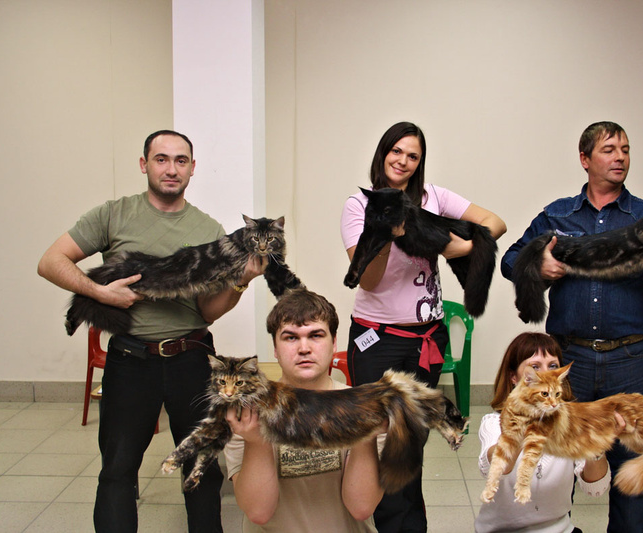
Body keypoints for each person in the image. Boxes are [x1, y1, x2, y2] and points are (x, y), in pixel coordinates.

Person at [37, 130, 264, 533]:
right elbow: (51, 261)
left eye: (181, 160)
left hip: (192, 359)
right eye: (161, 159)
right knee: (118, 469)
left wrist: (241, 280)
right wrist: (101, 293)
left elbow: (207, 312)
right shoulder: (114, 214)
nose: (171, 169)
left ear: (192, 169)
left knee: (202, 469)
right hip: (130, 361)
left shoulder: (208, 230)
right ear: (144, 165)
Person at [500, 121, 643, 533]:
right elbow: (510, 260)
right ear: (585, 159)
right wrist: (538, 264)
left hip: (630, 360)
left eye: (625, 149)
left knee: (632, 466)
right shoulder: (558, 215)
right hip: (570, 364)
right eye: (609, 149)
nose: (620, 157)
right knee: (556, 464)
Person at [340, 121, 506, 532]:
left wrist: (460, 246)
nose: (403, 161)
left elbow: (495, 222)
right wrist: (387, 233)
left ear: (420, 162)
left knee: (411, 443)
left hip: (426, 340)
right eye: (396, 151)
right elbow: (368, 280)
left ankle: (410, 525)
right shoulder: (359, 206)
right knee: (383, 440)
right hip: (377, 341)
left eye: (412, 156)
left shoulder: (434, 197)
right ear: (382, 153)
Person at [223, 289, 383, 533]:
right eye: (290, 338)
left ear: (334, 343)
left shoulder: (363, 409)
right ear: (275, 349)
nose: (304, 348)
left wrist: (364, 434)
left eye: (316, 335)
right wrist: (256, 440)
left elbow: (361, 507)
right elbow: (258, 511)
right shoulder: (247, 414)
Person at [475, 332, 620, 533]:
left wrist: (596, 443)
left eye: (553, 366)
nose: (546, 375)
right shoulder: (493, 423)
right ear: (514, 378)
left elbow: (595, 488)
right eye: (535, 367)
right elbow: (498, 468)